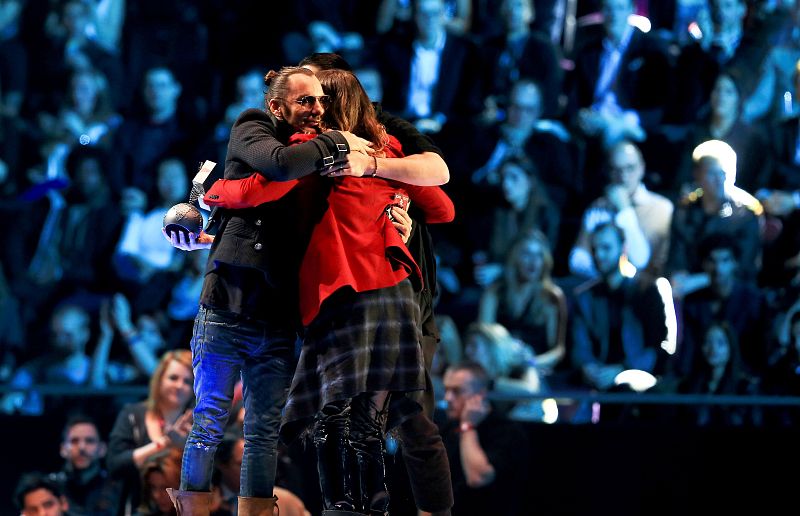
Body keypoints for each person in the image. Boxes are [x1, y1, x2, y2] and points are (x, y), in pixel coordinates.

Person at [165, 53, 453, 516]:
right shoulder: (377, 147)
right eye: (305, 98)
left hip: (336, 299)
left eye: (319, 98)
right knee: (391, 421)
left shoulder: (324, 149)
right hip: (391, 296)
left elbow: (257, 189)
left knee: (334, 420)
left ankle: (348, 510)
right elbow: (443, 205)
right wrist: (384, 178)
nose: (314, 107)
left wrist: (215, 193)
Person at [438, 361, 530, 515]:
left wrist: (468, 426)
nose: (448, 398)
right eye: (446, 390)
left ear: (480, 395)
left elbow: (477, 478)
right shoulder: (446, 429)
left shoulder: (507, 432)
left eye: (457, 391)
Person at [108, 350, 194, 515]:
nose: (179, 386)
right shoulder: (133, 414)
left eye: (187, 381)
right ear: (159, 380)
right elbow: (115, 465)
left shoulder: (199, 422)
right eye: (173, 378)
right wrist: (165, 444)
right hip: (136, 507)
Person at [48, 415, 120, 516]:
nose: (81, 447)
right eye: (74, 441)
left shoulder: (117, 488)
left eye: (89, 441)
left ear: (102, 449)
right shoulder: (49, 488)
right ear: (63, 449)